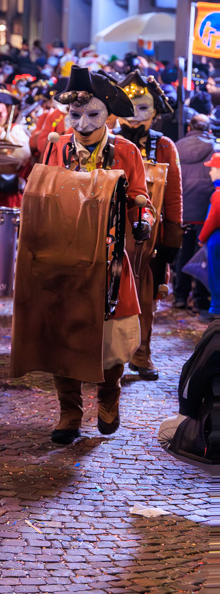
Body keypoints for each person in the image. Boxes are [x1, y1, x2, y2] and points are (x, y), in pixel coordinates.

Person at [12, 66, 153, 444]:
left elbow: (141, 196)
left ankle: (109, 396)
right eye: (75, 115)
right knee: (63, 330)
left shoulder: (126, 150)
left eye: (92, 114)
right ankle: (69, 412)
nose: (83, 123)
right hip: (64, 253)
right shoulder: (56, 145)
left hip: (109, 255)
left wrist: (144, 219)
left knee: (113, 337)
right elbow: (43, 191)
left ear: (108, 113)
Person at [119, 70, 184, 380]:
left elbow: (174, 196)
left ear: (156, 112)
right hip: (111, 233)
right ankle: (108, 355)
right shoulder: (109, 143)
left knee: (145, 298)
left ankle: (141, 353)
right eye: (129, 108)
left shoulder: (165, 146)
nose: (135, 116)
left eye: (143, 108)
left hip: (149, 238)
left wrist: (172, 238)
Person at [173, 114, 214, 312]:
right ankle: (200, 300)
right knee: (203, 258)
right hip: (206, 211)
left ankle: (180, 297)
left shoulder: (176, 146)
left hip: (183, 209)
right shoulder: (214, 148)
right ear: (209, 129)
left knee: (183, 254)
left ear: (189, 128)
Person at [198, 152, 220, 321]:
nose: (210, 172)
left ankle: (216, 310)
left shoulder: (218, 194)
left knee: (215, 276)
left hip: (216, 242)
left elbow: (213, 219)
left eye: (213, 168)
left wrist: (202, 238)